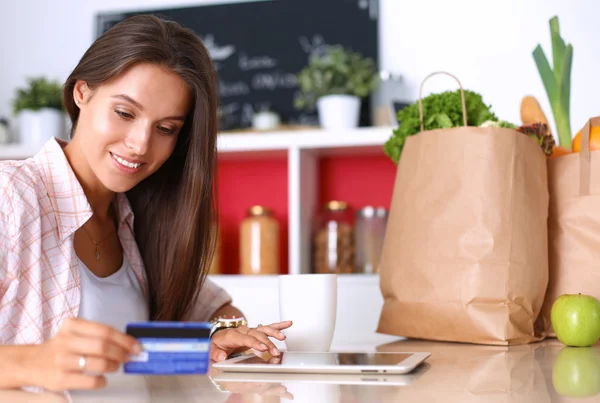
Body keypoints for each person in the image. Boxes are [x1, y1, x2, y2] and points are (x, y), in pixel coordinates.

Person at [0, 14, 291, 392]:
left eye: (165, 129)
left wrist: (216, 337)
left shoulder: (138, 220)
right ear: (82, 93)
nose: (140, 144)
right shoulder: (12, 197)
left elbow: (207, 311)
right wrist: (31, 363)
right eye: (124, 113)